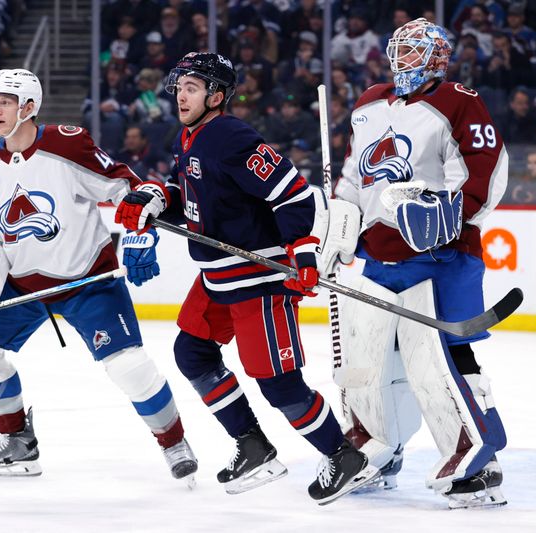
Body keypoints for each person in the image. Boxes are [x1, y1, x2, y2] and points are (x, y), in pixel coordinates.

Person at [114, 52, 376, 505]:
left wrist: (303, 250)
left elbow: (292, 193)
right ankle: (253, 445)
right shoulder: (189, 136)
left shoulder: (231, 136)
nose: (181, 95)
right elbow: (188, 192)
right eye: (179, 87)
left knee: (278, 382)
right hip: (217, 276)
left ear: (216, 96)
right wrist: (155, 198)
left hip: (257, 278)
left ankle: (342, 455)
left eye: (192, 88)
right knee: (192, 353)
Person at [0, 68, 198, 483]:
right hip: (25, 286)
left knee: (128, 366)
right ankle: (18, 444)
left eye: (6, 101)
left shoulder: (66, 143)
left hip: (88, 280)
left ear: (29, 107)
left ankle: (173, 441)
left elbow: (123, 187)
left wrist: (139, 233)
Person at [332, 18, 509, 509]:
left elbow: (486, 169)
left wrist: (450, 212)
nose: (401, 59)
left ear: (436, 57)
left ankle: (480, 458)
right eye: (398, 50)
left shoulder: (459, 100)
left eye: (412, 51)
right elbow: (352, 176)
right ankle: (378, 451)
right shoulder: (370, 102)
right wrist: (339, 230)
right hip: (378, 255)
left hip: (440, 255)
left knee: (439, 358)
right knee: (365, 358)